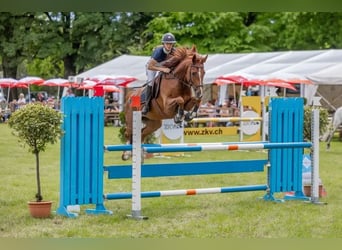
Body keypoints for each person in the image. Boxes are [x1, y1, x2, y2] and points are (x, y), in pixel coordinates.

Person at [142, 32, 177, 115]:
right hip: (153, 67)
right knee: (151, 82)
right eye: (167, 44)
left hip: (163, 66)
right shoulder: (158, 52)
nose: (169, 46)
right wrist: (162, 69)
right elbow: (150, 66)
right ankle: (146, 105)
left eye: (171, 44)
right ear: (163, 44)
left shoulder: (174, 51)